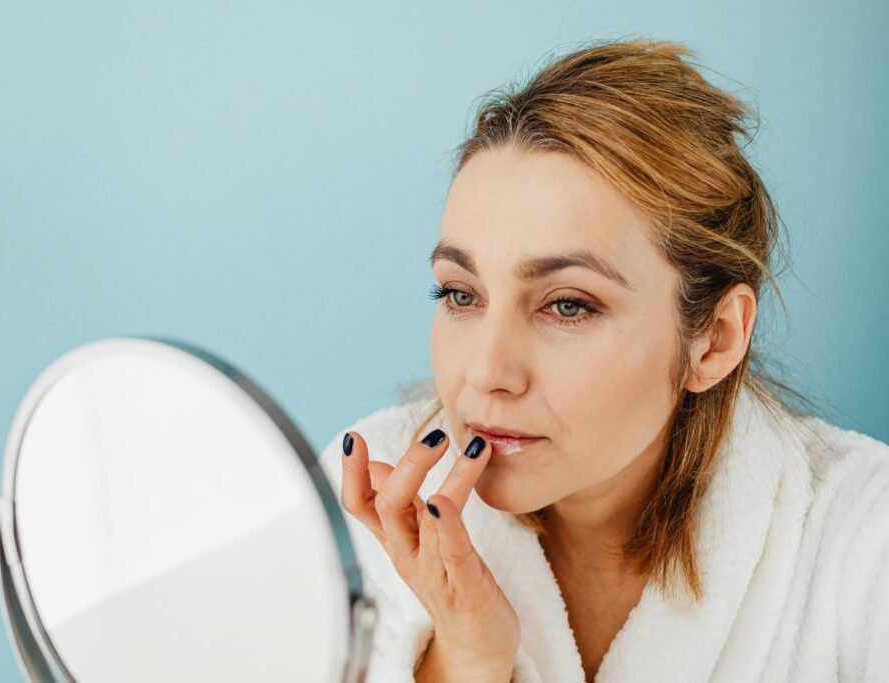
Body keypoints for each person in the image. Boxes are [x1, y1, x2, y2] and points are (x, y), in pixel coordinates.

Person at [316, 38, 889, 683]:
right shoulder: (354, 521)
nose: (485, 373)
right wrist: (467, 658)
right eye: (460, 294)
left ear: (716, 339)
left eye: (567, 306)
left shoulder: (863, 545)